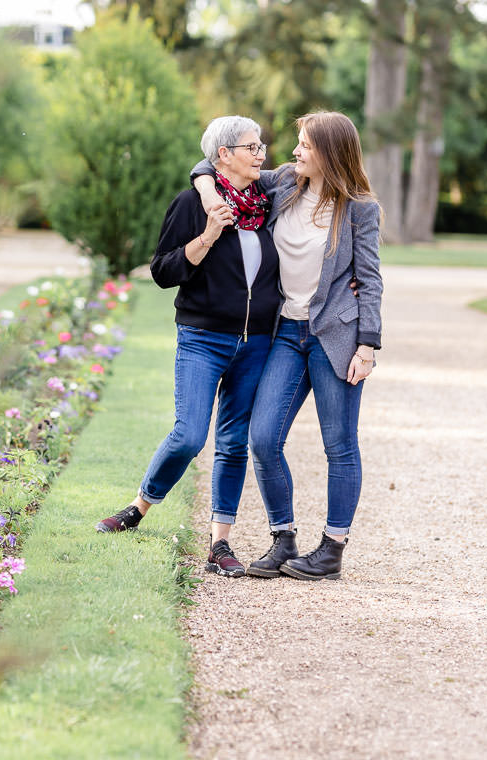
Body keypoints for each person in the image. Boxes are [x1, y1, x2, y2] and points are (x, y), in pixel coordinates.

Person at [190, 110, 383, 580]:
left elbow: (371, 279)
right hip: (286, 332)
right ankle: (284, 538)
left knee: (339, 445)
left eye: (305, 146)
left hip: (334, 337)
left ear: (329, 154)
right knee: (262, 438)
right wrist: (208, 192)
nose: (294, 152)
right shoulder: (282, 184)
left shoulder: (359, 207)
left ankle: (332, 549)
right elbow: (205, 167)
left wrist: (368, 344)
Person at [95, 115, 282, 580]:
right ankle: (138, 507)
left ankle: (220, 542)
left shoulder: (269, 202)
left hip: (257, 341)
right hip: (203, 338)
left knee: (233, 441)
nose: (262, 154)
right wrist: (209, 233)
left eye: (262, 146)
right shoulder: (192, 204)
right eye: (252, 147)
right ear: (224, 155)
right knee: (189, 435)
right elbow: (162, 272)